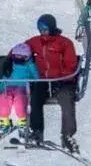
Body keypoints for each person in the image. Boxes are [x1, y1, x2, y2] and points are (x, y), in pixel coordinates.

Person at [24, 14, 80, 153]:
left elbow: (71, 65)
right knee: (35, 99)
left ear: (52, 27)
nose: (42, 32)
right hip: (43, 80)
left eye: (45, 29)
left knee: (67, 100)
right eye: (40, 29)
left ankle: (67, 135)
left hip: (62, 81)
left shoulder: (64, 43)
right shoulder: (35, 42)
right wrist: (10, 60)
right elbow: (20, 49)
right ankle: (36, 131)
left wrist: (61, 78)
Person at [0, 41, 39, 137]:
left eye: (21, 57)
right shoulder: (10, 65)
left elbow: (36, 78)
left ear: (27, 57)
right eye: (16, 56)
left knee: (19, 99)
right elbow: (5, 79)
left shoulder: (30, 65)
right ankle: (5, 123)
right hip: (8, 87)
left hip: (23, 87)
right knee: (2, 98)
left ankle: (22, 123)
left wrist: (34, 84)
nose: (18, 59)